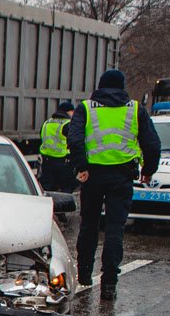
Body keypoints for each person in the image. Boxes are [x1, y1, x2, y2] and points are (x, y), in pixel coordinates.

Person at [66, 69, 161, 300]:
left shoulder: (86, 108)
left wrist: (81, 167)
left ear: (100, 85)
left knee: (89, 225)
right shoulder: (135, 109)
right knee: (114, 230)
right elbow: (152, 143)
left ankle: (85, 274)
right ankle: (109, 284)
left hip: (92, 177)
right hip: (122, 177)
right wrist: (148, 171)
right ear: (122, 86)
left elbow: (75, 138)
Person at [38, 100, 77, 193]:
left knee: (48, 190)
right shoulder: (68, 124)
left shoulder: (46, 123)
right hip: (64, 163)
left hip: (46, 162)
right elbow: (74, 142)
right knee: (66, 190)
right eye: (73, 111)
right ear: (68, 112)